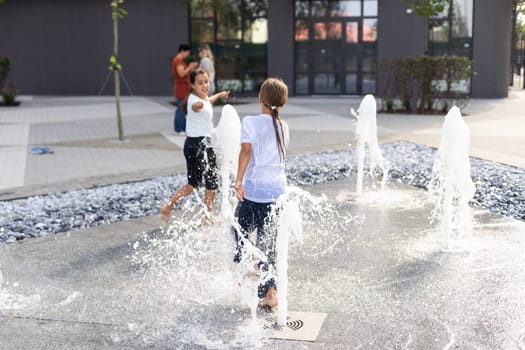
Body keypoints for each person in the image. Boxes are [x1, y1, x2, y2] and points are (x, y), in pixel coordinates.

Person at [231, 78, 289, 310]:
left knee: (239, 232)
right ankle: (271, 293)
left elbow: (245, 151)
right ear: (281, 103)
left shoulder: (250, 121)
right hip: (277, 192)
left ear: (260, 99)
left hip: (256, 190)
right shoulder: (284, 126)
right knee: (269, 243)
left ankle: (250, 268)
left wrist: (238, 181)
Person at [161, 69, 230, 223]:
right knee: (210, 183)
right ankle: (205, 216)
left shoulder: (202, 97)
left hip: (194, 145)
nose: (205, 85)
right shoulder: (194, 101)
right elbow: (197, 106)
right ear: (192, 85)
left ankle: (169, 207)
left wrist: (220, 95)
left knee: (194, 184)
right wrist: (198, 105)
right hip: (200, 146)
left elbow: (207, 100)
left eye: (206, 82)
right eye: (200, 83)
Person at [172, 44, 198, 135]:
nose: (188, 54)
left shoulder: (179, 61)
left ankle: (182, 128)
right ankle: (179, 129)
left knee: (183, 108)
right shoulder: (178, 61)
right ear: (182, 51)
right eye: (187, 52)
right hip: (181, 89)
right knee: (181, 109)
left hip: (183, 88)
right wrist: (189, 67)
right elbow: (181, 74)